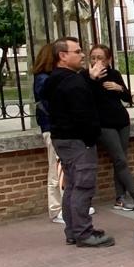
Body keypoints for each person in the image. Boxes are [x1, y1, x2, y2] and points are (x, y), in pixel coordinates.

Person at [41, 37, 113, 248]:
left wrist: (88, 79)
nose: (83, 55)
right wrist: (92, 136)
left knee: (72, 185)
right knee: (82, 186)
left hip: (62, 138)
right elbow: (84, 114)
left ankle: (73, 231)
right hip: (78, 141)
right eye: (78, 51)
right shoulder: (72, 82)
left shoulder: (55, 79)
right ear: (63, 56)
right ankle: (83, 232)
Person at [86, 44, 134, 211]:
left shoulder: (114, 74)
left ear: (108, 60)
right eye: (93, 58)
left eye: (100, 58)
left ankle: (120, 198)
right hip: (104, 124)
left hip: (121, 121)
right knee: (119, 159)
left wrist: (119, 88)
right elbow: (86, 98)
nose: (96, 61)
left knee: (121, 161)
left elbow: (128, 98)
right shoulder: (87, 77)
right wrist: (92, 78)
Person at [32, 44, 64, 224]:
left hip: (56, 126)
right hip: (51, 127)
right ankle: (56, 209)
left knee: (63, 169)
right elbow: (49, 102)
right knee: (56, 168)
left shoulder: (50, 77)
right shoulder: (43, 79)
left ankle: (66, 205)